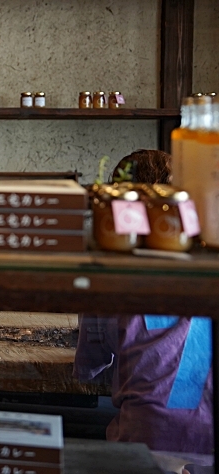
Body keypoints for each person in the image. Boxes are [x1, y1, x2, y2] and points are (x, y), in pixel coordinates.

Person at [75, 149, 212, 461]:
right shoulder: (203, 265)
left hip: (146, 435)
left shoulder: (112, 274)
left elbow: (91, 365)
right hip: (208, 435)